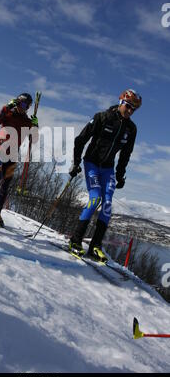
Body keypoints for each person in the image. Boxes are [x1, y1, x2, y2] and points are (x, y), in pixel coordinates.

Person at [68, 89, 142, 262]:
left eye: (134, 110)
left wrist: (120, 175)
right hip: (92, 163)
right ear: (121, 102)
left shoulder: (131, 128)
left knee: (107, 204)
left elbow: (126, 154)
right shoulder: (102, 117)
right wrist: (76, 162)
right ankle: (75, 240)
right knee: (95, 199)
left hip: (108, 168)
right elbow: (81, 139)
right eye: (129, 107)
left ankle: (95, 245)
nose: (130, 111)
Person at [0, 93, 39, 227]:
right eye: (22, 104)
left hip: (13, 155)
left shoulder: (27, 121)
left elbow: (34, 139)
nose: (24, 108)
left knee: (5, 185)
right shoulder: (8, 113)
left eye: (27, 106)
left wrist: (35, 125)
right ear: (17, 102)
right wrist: (6, 107)